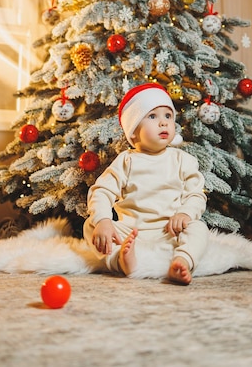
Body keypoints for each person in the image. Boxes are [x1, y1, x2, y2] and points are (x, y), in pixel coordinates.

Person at [83, 82, 209, 284]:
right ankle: (122, 259)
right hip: (131, 232)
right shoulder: (126, 160)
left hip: (169, 231)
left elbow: (195, 194)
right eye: (153, 116)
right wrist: (103, 221)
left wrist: (184, 214)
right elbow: (102, 191)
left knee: (199, 228)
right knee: (91, 226)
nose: (163, 123)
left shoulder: (182, 160)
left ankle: (182, 260)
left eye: (168, 116)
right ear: (133, 130)